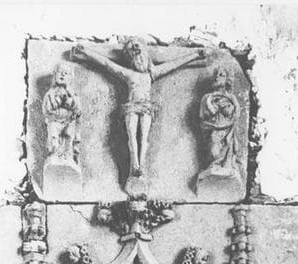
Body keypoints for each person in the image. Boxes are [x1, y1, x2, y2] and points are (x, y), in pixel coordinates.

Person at [71, 38, 204, 179]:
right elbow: (106, 63)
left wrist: (195, 55)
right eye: (134, 55)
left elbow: (173, 64)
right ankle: (135, 165)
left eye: (140, 54)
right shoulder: (129, 74)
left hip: (146, 107)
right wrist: (86, 52)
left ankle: (142, 166)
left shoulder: (151, 74)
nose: (139, 59)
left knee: (144, 137)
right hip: (131, 107)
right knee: (132, 136)